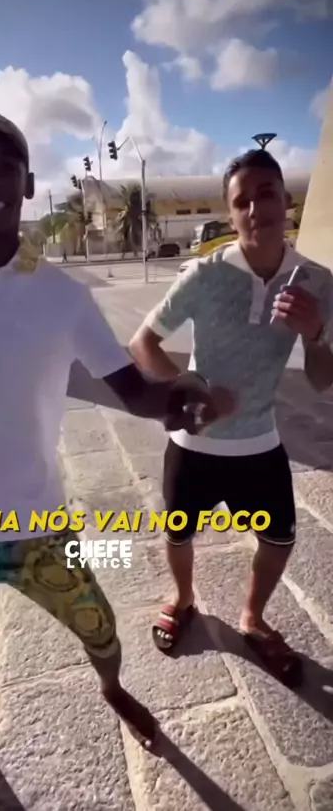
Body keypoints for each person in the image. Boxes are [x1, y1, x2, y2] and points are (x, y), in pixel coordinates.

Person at [0, 110, 229, 802]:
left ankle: (111, 691)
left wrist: (177, 400)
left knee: (102, 633)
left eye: (7, 169)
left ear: (28, 185)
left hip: (39, 526)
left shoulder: (63, 296)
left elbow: (133, 391)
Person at [129, 148, 333, 686]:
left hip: (260, 446)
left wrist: (316, 333)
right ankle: (182, 599)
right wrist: (192, 390)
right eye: (242, 201)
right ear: (230, 212)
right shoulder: (205, 274)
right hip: (194, 447)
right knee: (178, 535)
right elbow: (143, 343)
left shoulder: (318, 282)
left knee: (280, 539)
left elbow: (322, 380)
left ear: (286, 201)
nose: (255, 209)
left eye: (266, 194)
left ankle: (252, 619)